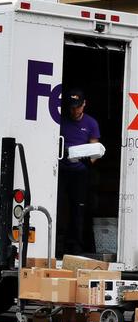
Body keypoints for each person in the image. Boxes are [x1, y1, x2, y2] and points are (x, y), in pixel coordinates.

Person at [57, 89, 100, 255]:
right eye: (72, 107)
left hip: (80, 173)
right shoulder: (61, 121)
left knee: (78, 209)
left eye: (78, 107)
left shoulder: (91, 123)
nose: (75, 111)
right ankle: (58, 244)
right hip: (61, 171)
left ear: (84, 104)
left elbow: (95, 148)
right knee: (59, 207)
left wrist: (86, 159)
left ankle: (76, 246)